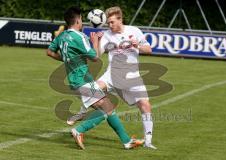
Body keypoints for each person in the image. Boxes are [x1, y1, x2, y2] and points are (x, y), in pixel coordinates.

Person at [46, 6, 143, 150]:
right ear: (78, 20)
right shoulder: (80, 37)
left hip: (76, 81)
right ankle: (79, 130)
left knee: (108, 107)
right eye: (81, 19)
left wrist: (68, 60)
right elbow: (95, 58)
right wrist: (96, 40)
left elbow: (49, 52)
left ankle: (127, 141)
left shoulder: (62, 36)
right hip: (83, 81)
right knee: (106, 108)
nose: (82, 21)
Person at [68, 6, 157, 149]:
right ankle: (81, 113)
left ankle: (148, 141)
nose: (109, 25)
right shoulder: (106, 35)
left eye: (112, 22)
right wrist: (96, 41)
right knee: (91, 91)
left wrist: (137, 46)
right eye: (108, 22)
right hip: (112, 75)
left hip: (132, 77)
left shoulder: (134, 31)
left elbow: (149, 49)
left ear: (120, 19)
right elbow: (96, 56)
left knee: (145, 105)